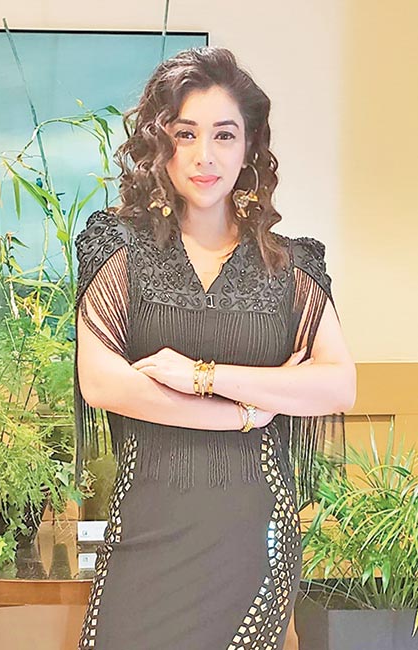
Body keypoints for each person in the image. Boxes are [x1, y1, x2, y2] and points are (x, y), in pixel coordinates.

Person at [74, 46, 356, 650]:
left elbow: (337, 385)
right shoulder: (118, 249)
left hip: (252, 540)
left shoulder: (291, 266)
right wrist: (243, 413)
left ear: (249, 147)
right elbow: (102, 383)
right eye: (186, 134)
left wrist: (203, 375)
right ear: (160, 145)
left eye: (224, 135)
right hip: (143, 534)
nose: (205, 155)